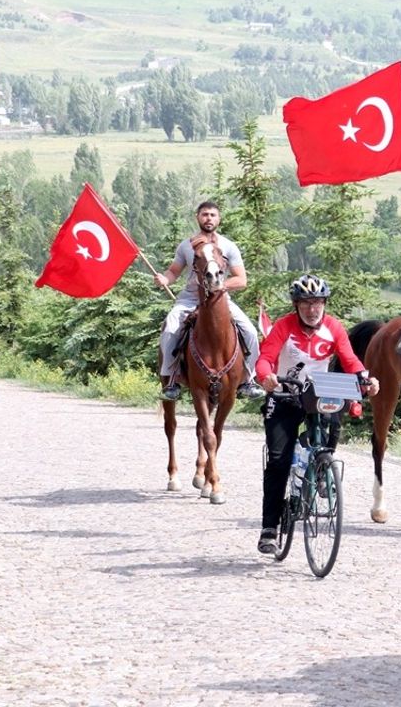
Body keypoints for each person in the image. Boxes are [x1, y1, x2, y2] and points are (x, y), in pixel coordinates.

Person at [254, 274, 380, 554]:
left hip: (318, 394)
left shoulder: (333, 327)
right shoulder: (284, 327)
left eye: (318, 303)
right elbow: (265, 357)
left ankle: (321, 468)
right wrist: (266, 377)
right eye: (306, 304)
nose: (313, 310)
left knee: (333, 428)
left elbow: (350, 360)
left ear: (324, 303)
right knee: (278, 461)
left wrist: (367, 379)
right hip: (285, 395)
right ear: (297, 305)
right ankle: (270, 528)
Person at [154, 200, 265, 401]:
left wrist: (221, 286)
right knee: (170, 328)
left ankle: (248, 380)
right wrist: (165, 279)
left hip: (220, 300)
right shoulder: (186, 246)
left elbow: (241, 279)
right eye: (205, 214)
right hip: (189, 299)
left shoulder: (229, 247)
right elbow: (173, 272)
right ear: (198, 217)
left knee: (249, 331)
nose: (208, 218)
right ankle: (171, 381)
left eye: (213, 215)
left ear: (219, 219)